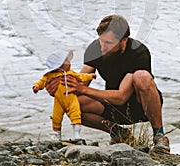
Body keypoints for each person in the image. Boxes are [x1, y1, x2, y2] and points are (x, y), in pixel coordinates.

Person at [46, 15, 170, 153]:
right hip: (112, 108)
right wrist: (58, 87)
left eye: (108, 43)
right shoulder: (95, 49)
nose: (103, 47)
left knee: (142, 77)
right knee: (72, 103)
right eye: (101, 41)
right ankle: (118, 133)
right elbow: (78, 85)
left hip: (141, 107)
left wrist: (83, 89)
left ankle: (159, 135)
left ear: (124, 40)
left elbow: (122, 96)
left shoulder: (138, 52)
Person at [32, 50, 96, 141]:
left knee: (76, 114)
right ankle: (56, 134)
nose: (69, 63)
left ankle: (76, 133)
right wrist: (37, 87)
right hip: (58, 100)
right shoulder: (49, 76)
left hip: (71, 98)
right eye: (67, 62)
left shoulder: (71, 73)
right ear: (59, 65)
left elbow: (81, 76)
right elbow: (42, 81)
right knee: (56, 117)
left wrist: (90, 76)